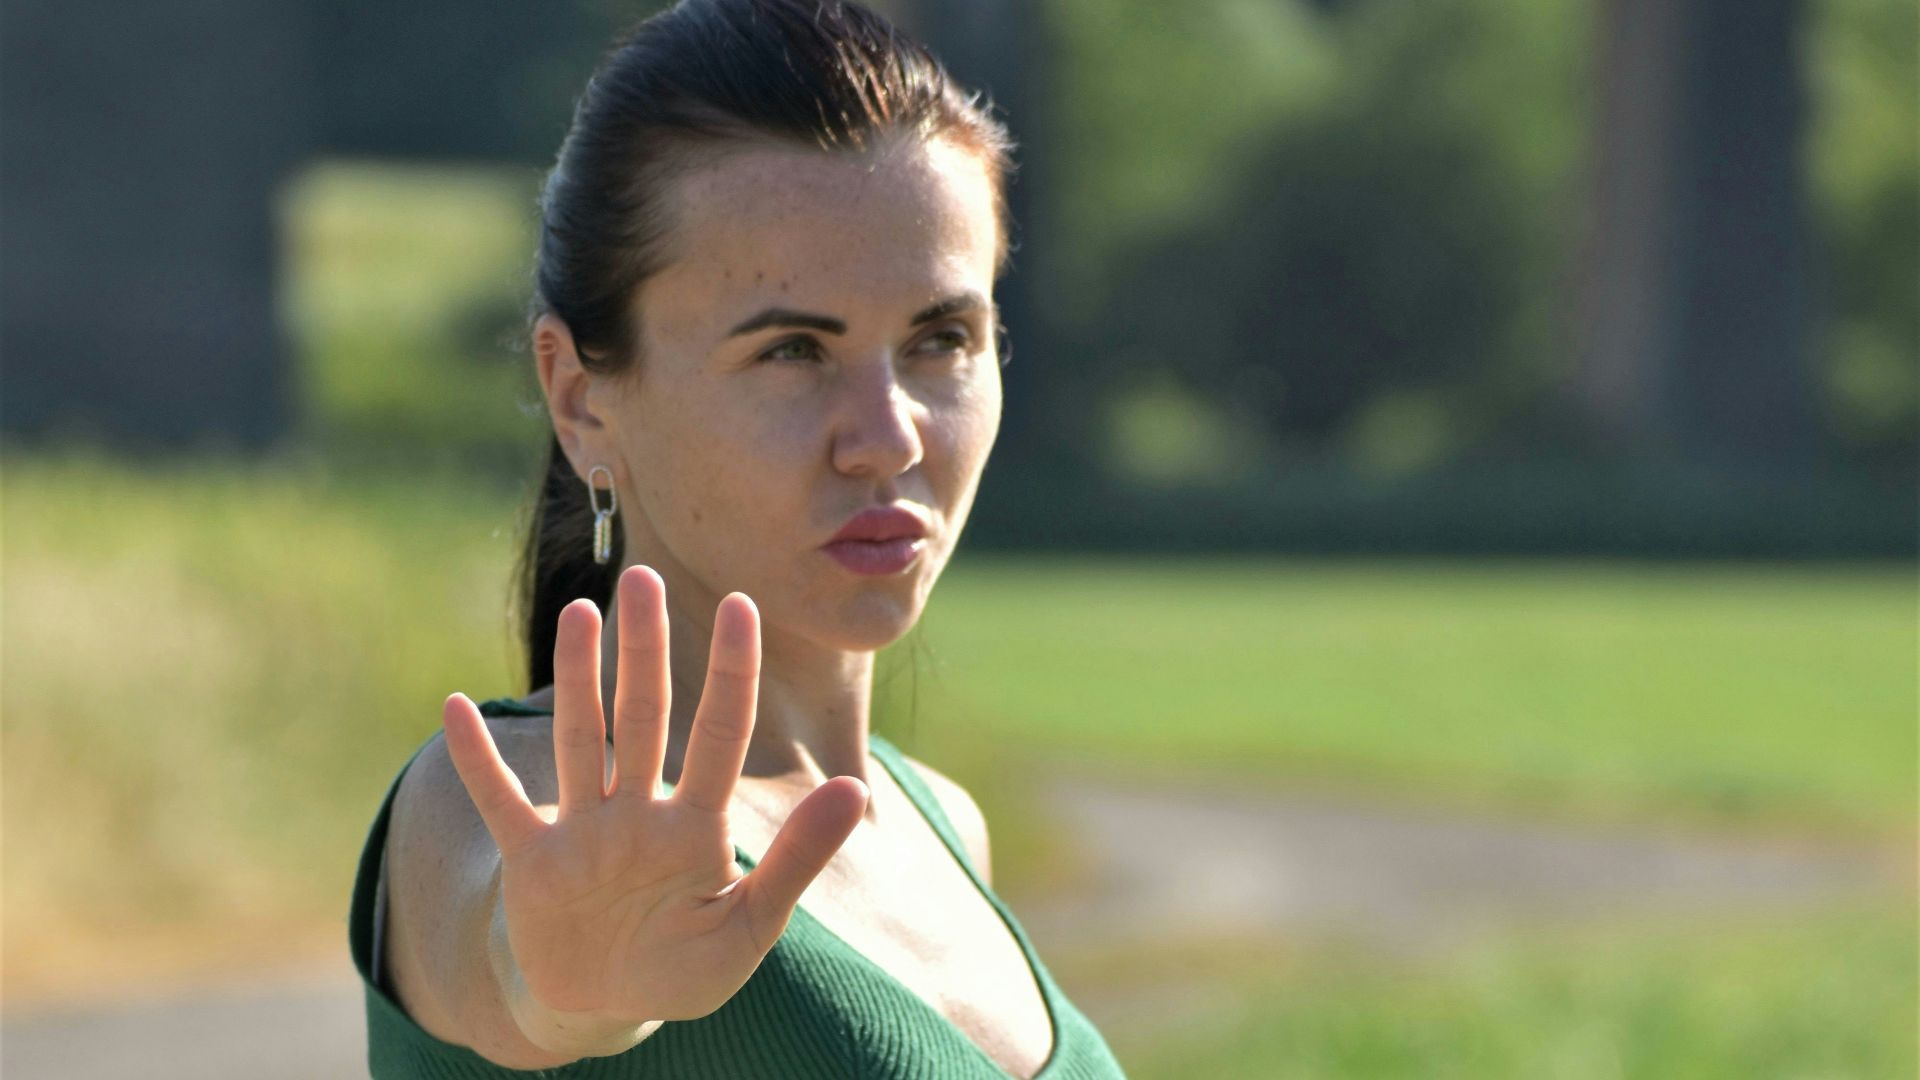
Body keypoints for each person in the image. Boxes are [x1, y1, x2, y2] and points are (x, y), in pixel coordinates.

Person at [346, 1, 1128, 1076]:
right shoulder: (501, 804)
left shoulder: (942, 821)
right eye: (794, 350)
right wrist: (567, 991)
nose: (886, 435)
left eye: (941, 338)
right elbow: (519, 967)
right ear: (580, 400)